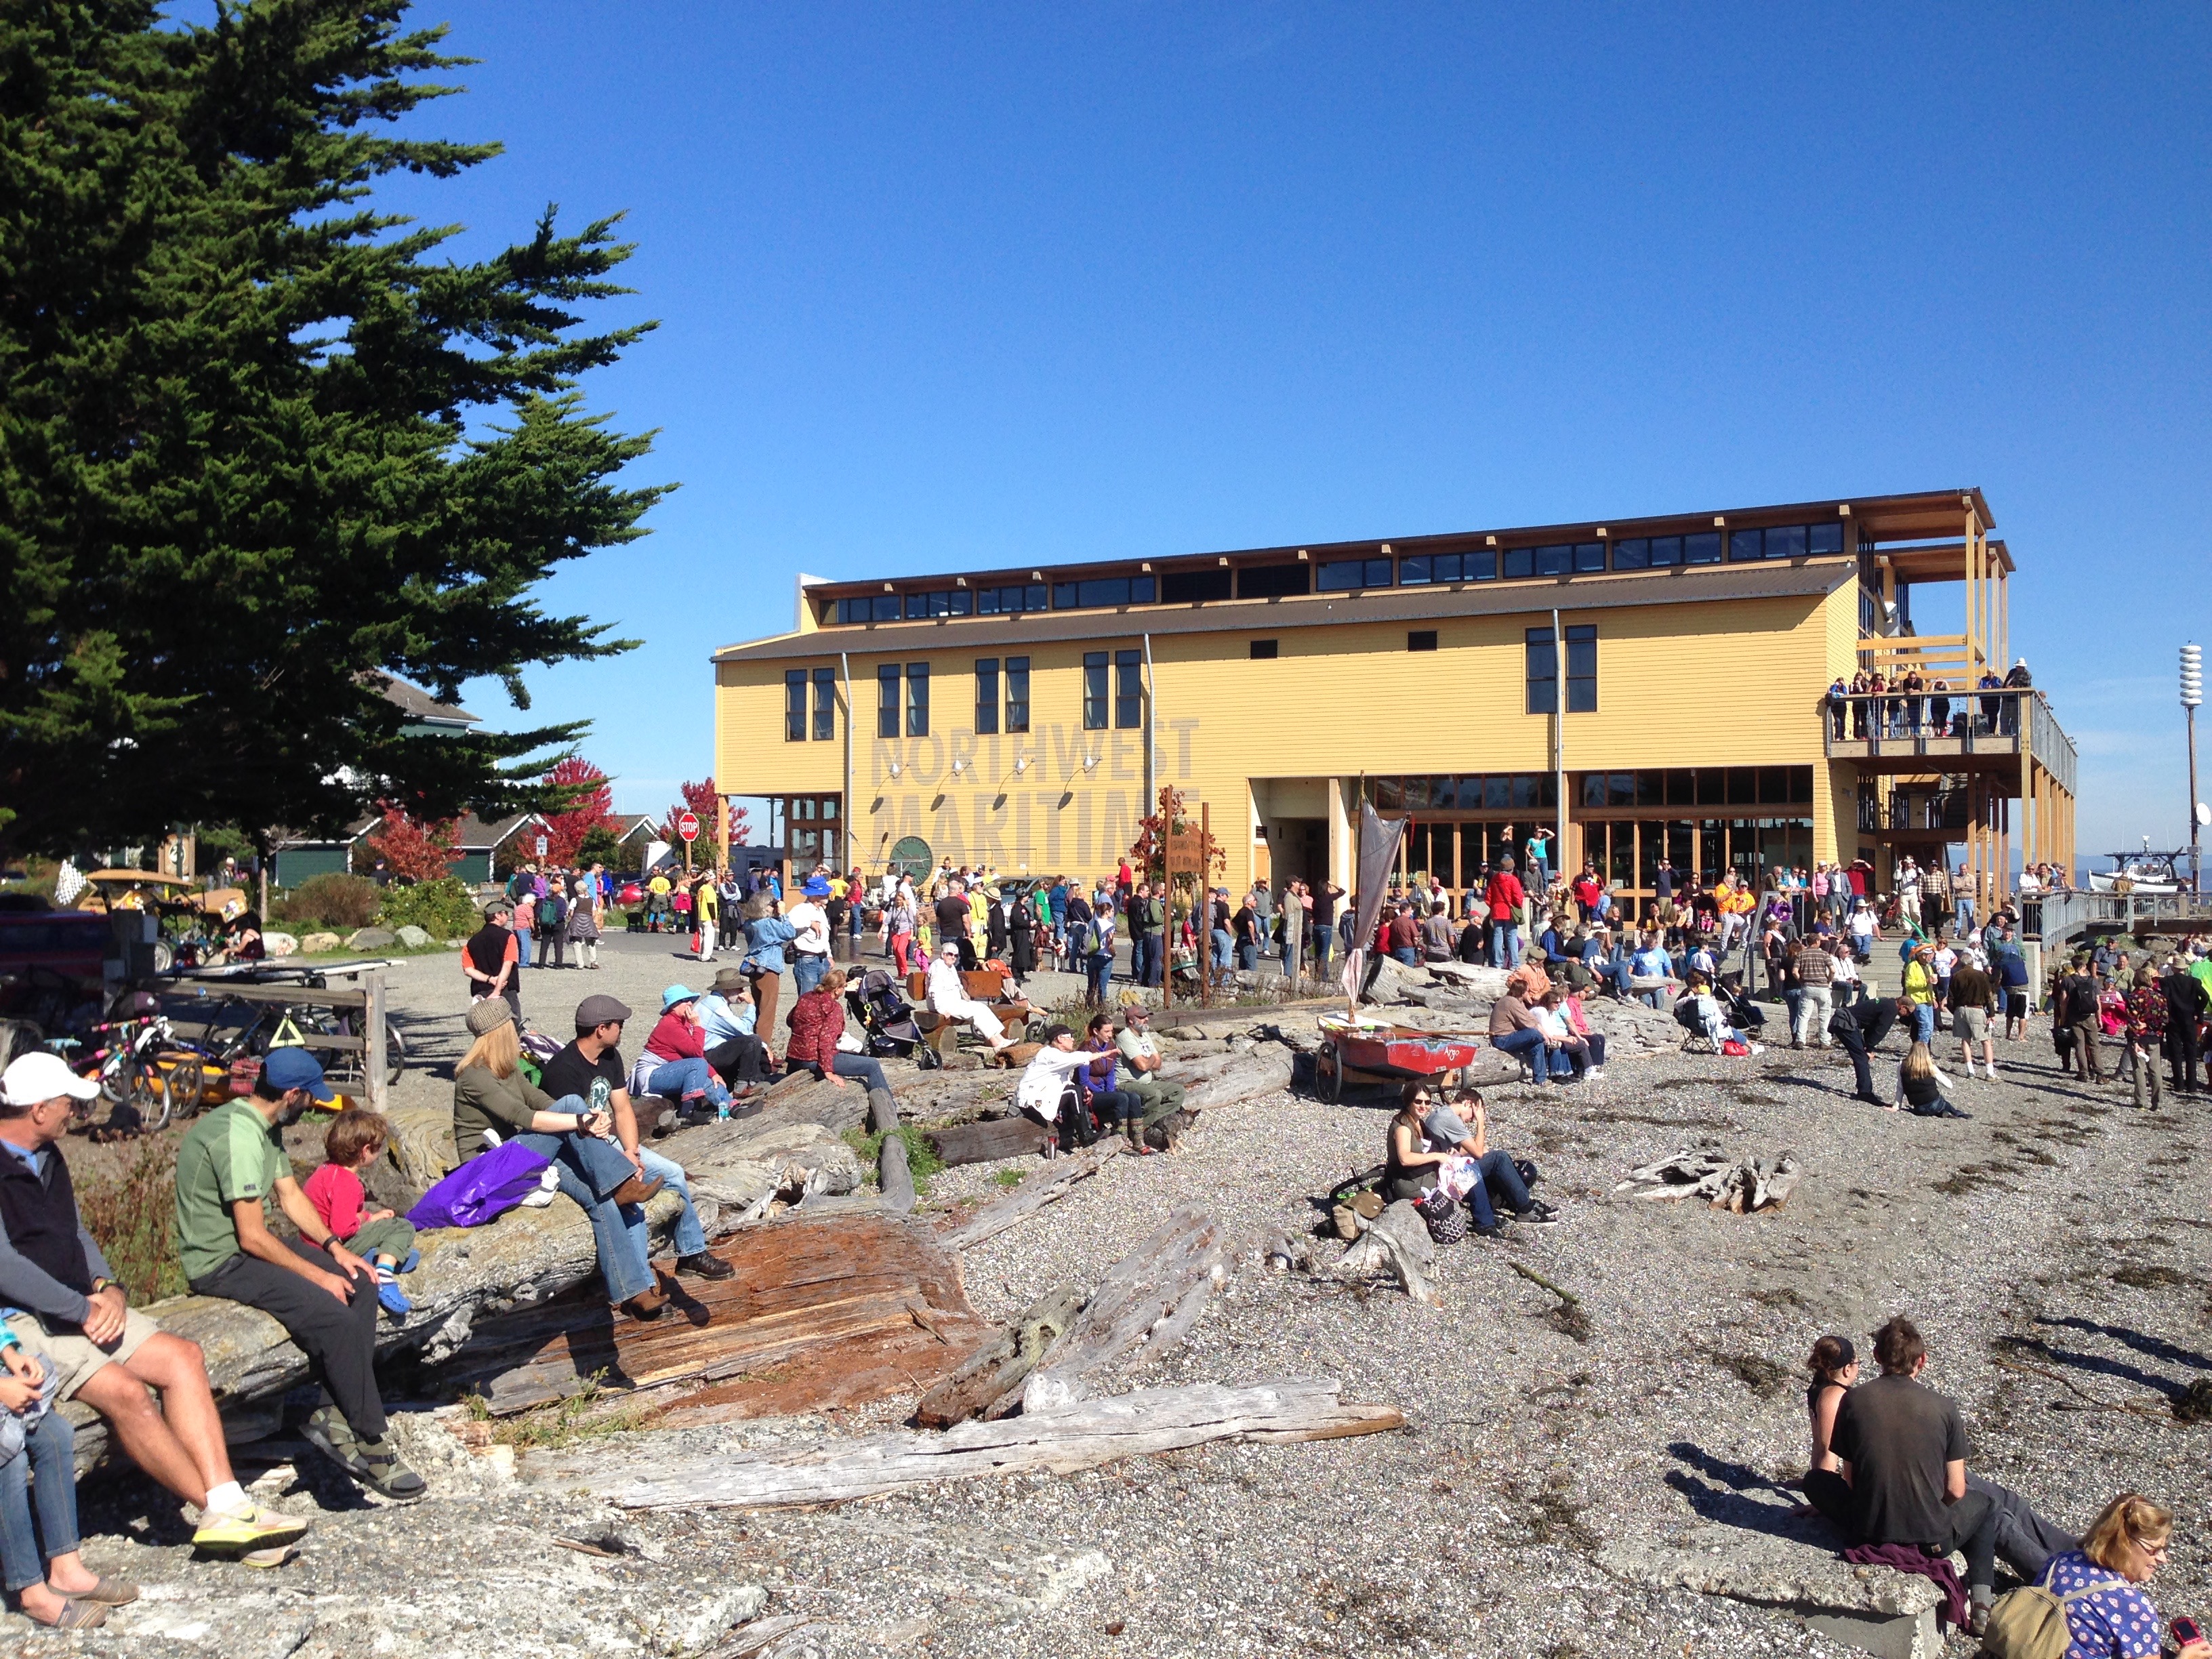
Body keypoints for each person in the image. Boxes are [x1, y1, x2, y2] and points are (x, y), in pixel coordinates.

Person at [0, 1053, 306, 1557]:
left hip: (82, 1304)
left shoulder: (50, 1157)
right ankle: (218, 1513)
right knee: (127, 1393)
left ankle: (228, 1503)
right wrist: (81, 1310)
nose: (75, 1113)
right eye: (68, 1105)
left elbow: (75, 1233)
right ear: (37, 1110)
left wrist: (107, 1285)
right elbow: (6, 1267)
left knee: (183, 1357)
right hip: (23, 1322)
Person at [174, 1048, 424, 1500]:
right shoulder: (241, 1138)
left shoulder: (263, 1125)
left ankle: (333, 1414)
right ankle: (372, 1440)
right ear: (291, 1095)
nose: (311, 1106)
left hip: (246, 1246)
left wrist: (334, 1250)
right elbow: (251, 1237)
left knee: (362, 1281)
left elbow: (290, 1196)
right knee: (332, 1313)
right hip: (219, 1261)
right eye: (309, 1098)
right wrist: (317, 1274)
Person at [536, 995, 735, 1316]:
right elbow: (572, 1136)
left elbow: (623, 1107)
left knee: (672, 1172)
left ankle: (691, 1254)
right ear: (602, 1029)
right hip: (577, 1149)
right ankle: (638, 1292)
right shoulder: (563, 1070)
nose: (623, 1030)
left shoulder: (610, 1056)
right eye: (619, 1025)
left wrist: (630, 1151)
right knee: (632, 1207)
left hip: (609, 1141)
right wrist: (619, 1167)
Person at [1803, 1315, 2002, 1634]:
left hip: (1866, 1530)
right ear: (1921, 1361)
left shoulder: (1853, 1399)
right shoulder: (1945, 1407)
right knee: (1988, 1505)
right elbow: (1956, 1490)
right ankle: (1981, 1602)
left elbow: (1850, 1478)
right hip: (1930, 1542)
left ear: (1877, 1357)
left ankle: (1978, 1600)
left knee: (1814, 1481)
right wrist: (1925, 1508)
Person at [2032, 1494, 2210, 1659]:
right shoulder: (2134, 1608)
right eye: (2154, 1549)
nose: (2163, 1559)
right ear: (2124, 1543)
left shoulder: (2061, 1561)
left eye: (2165, 1549)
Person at [302, 1111, 418, 1317]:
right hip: (333, 1248)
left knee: (406, 1249)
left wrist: (370, 1218)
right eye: (378, 1147)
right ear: (365, 1151)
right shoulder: (348, 1183)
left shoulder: (326, 1170)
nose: (380, 1152)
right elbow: (342, 1228)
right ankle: (383, 1275)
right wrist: (365, 1219)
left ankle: (377, 1256)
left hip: (313, 1246)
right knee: (401, 1227)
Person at [1423, 1088, 1559, 1233]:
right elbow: (1478, 1153)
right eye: (1474, 1114)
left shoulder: (1441, 1113)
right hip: (1447, 1176)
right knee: (1499, 1158)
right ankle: (1526, 1208)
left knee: (1496, 1158)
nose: (1472, 1119)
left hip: (1445, 1169)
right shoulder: (1450, 1119)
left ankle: (1521, 1204)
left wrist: (1477, 1150)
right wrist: (1481, 1122)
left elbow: (1459, 1149)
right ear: (1468, 1103)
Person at [634, 985, 735, 1124]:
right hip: (652, 1075)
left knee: (707, 1079)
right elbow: (696, 1052)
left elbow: (694, 1056)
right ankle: (688, 1111)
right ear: (673, 1006)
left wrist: (714, 1074)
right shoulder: (669, 1024)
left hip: (671, 1068)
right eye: (685, 1000)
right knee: (698, 1066)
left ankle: (730, 1106)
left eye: (690, 1000)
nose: (690, 1003)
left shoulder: (682, 1022)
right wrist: (698, 1026)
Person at [785, 968, 892, 1094]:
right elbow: (826, 1042)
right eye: (844, 986)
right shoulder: (833, 1008)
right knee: (872, 1065)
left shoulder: (806, 997)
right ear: (837, 989)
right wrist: (828, 1072)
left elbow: (789, 1020)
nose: (844, 990)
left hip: (794, 1057)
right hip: (813, 1059)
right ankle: (888, 1107)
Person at [1015, 1025, 1107, 1152]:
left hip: (1041, 1096)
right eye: (1070, 1037)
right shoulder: (1050, 1054)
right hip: (1031, 1102)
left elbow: (1063, 1082)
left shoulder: (1057, 1055)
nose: (1073, 1040)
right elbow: (1077, 1058)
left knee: (1078, 1090)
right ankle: (1085, 1136)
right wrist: (1102, 1054)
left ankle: (1083, 1131)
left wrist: (1083, 1091)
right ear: (1060, 1039)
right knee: (1074, 1091)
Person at [1113, 1005, 1189, 1144]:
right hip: (1127, 1083)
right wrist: (1152, 1059)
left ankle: (1144, 1121)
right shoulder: (1126, 1037)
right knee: (1155, 1095)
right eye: (1142, 1017)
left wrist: (1150, 1060)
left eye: (1146, 1016)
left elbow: (1158, 1064)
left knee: (1178, 1091)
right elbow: (1143, 1066)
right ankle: (1138, 1129)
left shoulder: (1145, 1035)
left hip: (1146, 1081)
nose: (1146, 1019)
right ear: (1131, 1021)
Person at [925, 941, 1014, 1055]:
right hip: (944, 1005)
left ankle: (1001, 1039)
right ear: (943, 955)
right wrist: (941, 1010)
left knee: (982, 1007)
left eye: (956, 955)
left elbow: (958, 984)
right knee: (975, 1013)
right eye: (950, 954)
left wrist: (964, 994)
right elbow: (934, 991)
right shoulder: (938, 968)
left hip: (954, 1002)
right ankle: (995, 1043)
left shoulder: (950, 967)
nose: (953, 957)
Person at [1075, 1014, 1147, 1153]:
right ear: (1096, 1031)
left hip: (1104, 1090)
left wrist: (1111, 1092)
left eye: (1111, 1031)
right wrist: (1105, 1094)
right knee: (1121, 1098)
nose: (1110, 1035)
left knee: (1134, 1098)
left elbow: (1110, 1073)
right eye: (1106, 1032)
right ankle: (1121, 1140)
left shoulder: (1111, 1046)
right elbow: (1083, 1080)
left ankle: (1139, 1140)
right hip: (1089, 1093)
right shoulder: (1086, 1049)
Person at [697, 967, 773, 1092]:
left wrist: (764, 1047)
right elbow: (743, 1029)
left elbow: (737, 1032)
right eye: (739, 989)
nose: (743, 992)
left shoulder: (715, 1001)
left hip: (714, 1050)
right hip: (708, 1054)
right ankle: (743, 1087)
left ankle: (756, 1081)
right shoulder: (717, 1008)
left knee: (758, 1048)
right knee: (753, 1041)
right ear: (727, 990)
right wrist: (751, 1005)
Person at [1830, 981, 1898, 1105]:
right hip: (1845, 1021)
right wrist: (1869, 1048)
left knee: (1861, 1055)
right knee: (1861, 1056)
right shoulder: (1892, 1008)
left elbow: (1871, 1028)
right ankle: (1865, 1092)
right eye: (1908, 1012)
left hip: (1846, 1020)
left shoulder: (1887, 1003)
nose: (1907, 1015)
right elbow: (1880, 1030)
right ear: (1903, 1007)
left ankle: (1864, 1088)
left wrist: (1867, 1046)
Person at [1488, 975, 1557, 1081]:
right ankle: (1547, 1045)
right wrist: (1544, 1037)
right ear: (1522, 992)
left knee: (1537, 1045)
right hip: (1502, 1038)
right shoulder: (1511, 1002)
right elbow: (1527, 1023)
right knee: (1534, 1033)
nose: (1529, 993)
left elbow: (1531, 1019)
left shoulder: (1518, 1002)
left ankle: (1540, 1080)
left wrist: (1547, 1035)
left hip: (1510, 1037)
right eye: (1527, 991)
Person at [464, 901, 521, 1017]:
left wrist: (489, 979)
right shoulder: (508, 937)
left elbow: (468, 969)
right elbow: (507, 964)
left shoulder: (472, 941)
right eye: (505, 913)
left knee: (486, 1029)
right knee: (511, 1029)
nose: (508, 916)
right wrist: (497, 990)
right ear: (497, 915)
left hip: (481, 990)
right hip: (505, 991)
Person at [1948, 951, 1998, 1080]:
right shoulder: (1981, 975)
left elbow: (1951, 999)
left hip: (1960, 1010)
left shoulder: (1956, 976)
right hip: (1976, 1009)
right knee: (1986, 1041)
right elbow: (1989, 996)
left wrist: (1955, 1011)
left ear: (1961, 963)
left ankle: (1970, 1071)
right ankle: (1989, 1072)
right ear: (1972, 963)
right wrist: (1991, 1014)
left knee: (1965, 1040)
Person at [2055, 958, 2106, 1084]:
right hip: (2089, 1016)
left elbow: (2063, 1001)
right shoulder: (2093, 981)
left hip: (2074, 1016)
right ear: (2084, 966)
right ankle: (2099, 1073)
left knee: (2079, 1044)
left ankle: (2083, 1073)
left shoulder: (2068, 980)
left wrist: (2063, 1018)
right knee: (2094, 1045)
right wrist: (2099, 1017)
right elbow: (2097, 1001)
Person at [2123, 967, 2167, 1110]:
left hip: (2139, 1038)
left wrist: (2135, 1040)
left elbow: (2132, 1021)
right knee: (2155, 1070)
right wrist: (2151, 1026)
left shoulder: (2133, 997)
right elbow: (2165, 1019)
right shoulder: (2159, 997)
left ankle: (2141, 1100)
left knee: (2139, 1069)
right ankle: (2158, 1102)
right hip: (2155, 1037)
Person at [1893, 1041, 1969, 1119]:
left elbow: (1900, 1088)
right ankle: (1957, 1113)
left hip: (1919, 1108)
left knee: (1929, 1108)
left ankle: (1942, 1113)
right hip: (1935, 1103)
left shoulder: (1902, 1065)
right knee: (1944, 1104)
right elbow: (1949, 1086)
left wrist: (1896, 1107)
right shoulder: (1930, 1067)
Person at [788, 877, 835, 991]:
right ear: (816, 895)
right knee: (807, 1000)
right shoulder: (800, 909)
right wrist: (809, 923)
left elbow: (824, 937)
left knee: (823, 999)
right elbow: (786, 924)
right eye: (824, 893)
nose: (828, 895)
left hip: (822, 960)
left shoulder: (821, 911)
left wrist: (829, 955)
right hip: (807, 961)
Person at [1791, 932, 1835, 1048]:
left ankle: (1800, 1040)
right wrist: (1829, 980)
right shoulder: (1824, 954)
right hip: (1822, 987)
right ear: (1817, 942)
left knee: (1804, 1015)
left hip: (1807, 986)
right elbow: (1833, 970)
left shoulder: (1801, 954)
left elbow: (1794, 971)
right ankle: (1824, 1041)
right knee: (1824, 1015)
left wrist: (1801, 981)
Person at [1483, 857, 1526, 970]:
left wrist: (1493, 907)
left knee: (1497, 937)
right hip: (1510, 911)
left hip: (1497, 911)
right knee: (1512, 937)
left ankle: (1498, 963)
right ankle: (1514, 964)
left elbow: (1488, 897)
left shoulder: (1495, 879)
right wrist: (1518, 906)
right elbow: (1518, 898)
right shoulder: (1513, 880)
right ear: (1511, 868)